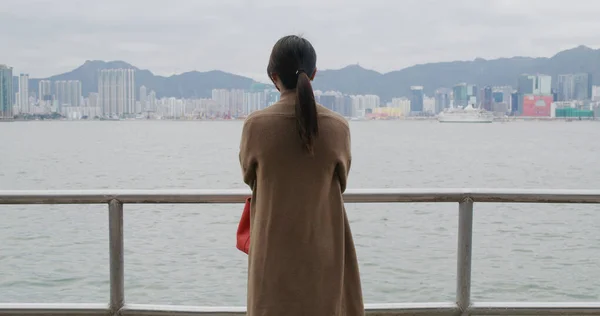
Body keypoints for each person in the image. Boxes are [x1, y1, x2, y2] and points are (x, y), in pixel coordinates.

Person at [239, 35, 364, 316]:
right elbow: (341, 181)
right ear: (314, 73)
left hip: (272, 247)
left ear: (274, 77)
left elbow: (249, 175)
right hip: (325, 243)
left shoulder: (256, 126)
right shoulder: (338, 127)